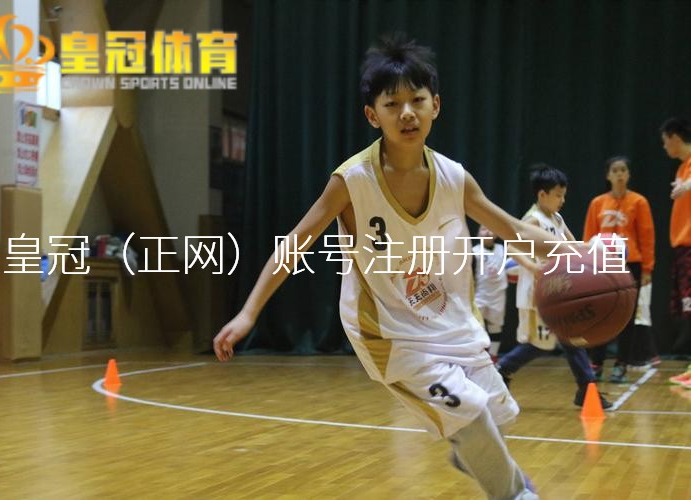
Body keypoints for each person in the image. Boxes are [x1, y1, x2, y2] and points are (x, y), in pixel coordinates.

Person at [212, 34, 564, 499]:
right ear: (372, 115)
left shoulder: (454, 178)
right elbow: (294, 244)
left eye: (417, 100)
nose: (407, 113)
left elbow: (513, 229)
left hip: (450, 322)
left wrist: (580, 253)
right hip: (389, 335)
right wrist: (248, 313)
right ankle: (517, 493)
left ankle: (468, 450)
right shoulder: (351, 181)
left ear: (436, 105)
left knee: (496, 414)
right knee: (472, 415)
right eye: (392, 104)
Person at [495, 165, 612, 409]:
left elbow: (573, 245)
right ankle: (502, 369)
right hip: (538, 292)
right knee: (541, 344)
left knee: (570, 337)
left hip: (558, 290)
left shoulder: (557, 219)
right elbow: (511, 247)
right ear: (542, 194)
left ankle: (586, 388)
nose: (563, 200)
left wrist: (597, 249)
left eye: (564, 195)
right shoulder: (532, 219)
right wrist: (533, 267)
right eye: (558, 195)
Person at [582, 156, 656, 382]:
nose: (619, 174)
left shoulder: (639, 202)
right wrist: (586, 265)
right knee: (601, 313)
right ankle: (596, 362)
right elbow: (588, 236)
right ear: (608, 175)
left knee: (626, 316)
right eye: (615, 170)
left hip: (630, 264)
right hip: (602, 264)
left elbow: (647, 237)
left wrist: (647, 269)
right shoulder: (597, 203)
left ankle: (621, 363)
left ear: (629, 174)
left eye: (623, 170)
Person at [660, 117, 691, 358]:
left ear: (675, 138)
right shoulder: (682, 167)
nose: (664, 147)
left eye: (665, 141)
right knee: (686, 304)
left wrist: (687, 185)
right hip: (682, 245)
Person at [472, 225, 508, 361]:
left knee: (495, 326)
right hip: (479, 295)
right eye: (483, 229)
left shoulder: (502, 249)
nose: (487, 232)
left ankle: (493, 356)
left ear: (496, 234)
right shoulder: (474, 251)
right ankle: (478, 355)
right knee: (476, 326)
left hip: (498, 295)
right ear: (478, 234)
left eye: (490, 229)